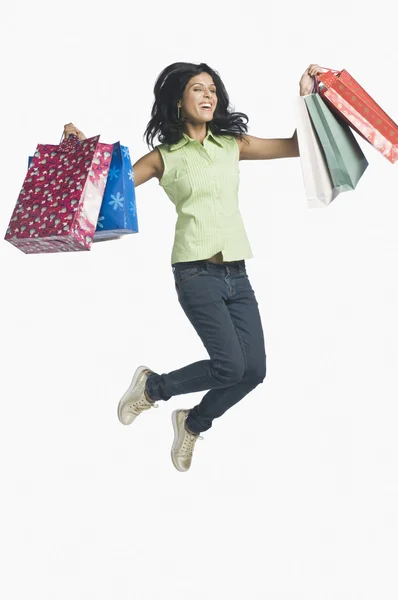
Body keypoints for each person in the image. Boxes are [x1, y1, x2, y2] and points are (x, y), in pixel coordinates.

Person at [64, 62, 323, 473]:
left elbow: (295, 145)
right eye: (197, 89)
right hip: (194, 273)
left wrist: (307, 95)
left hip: (237, 272)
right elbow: (104, 193)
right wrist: (78, 154)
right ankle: (152, 388)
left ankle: (192, 422)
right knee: (229, 367)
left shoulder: (232, 144)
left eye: (213, 89)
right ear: (178, 101)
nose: (208, 96)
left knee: (253, 371)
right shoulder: (163, 158)